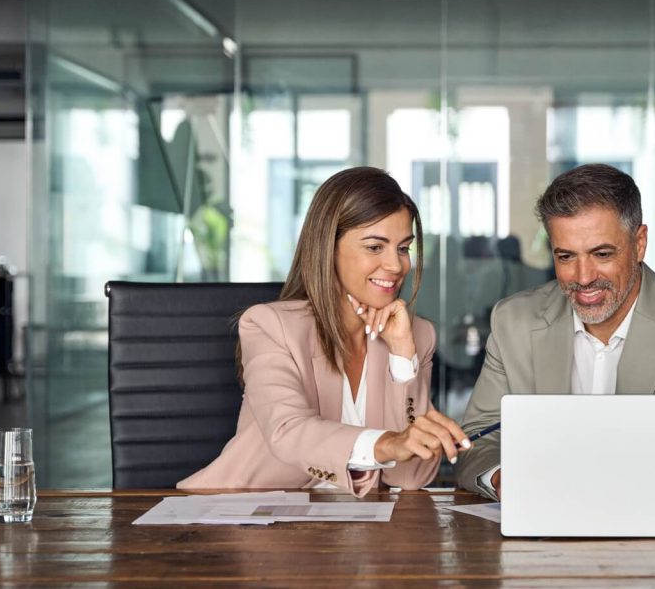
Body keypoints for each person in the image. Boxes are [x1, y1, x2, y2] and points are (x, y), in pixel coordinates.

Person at [455, 164, 655, 508]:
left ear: (639, 243)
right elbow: (477, 440)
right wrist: (502, 478)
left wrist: (629, 491)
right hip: (545, 533)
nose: (583, 278)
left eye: (601, 254)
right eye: (566, 256)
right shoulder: (514, 321)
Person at [179, 167, 469, 496]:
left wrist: (403, 356)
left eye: (403, 248)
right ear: (327, 247)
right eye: (375, 247)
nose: (396, 265)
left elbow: (411, 477)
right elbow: (288, 431)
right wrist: (388, 444)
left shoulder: (416, 334)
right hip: (248, 513)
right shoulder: (269, 326)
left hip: (354, 530)